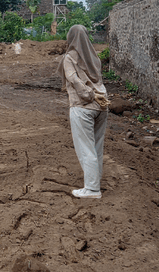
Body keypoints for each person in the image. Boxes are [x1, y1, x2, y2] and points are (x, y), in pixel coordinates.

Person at [56, 25, 110, 199]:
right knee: (97, 146)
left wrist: (90, 95)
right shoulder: (94, 57)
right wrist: (98, 96)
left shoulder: (69, 58)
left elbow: (75, 81)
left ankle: (92, 189)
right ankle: (95, 181)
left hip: (83, 106)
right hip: (102, 104)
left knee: (85, 148)